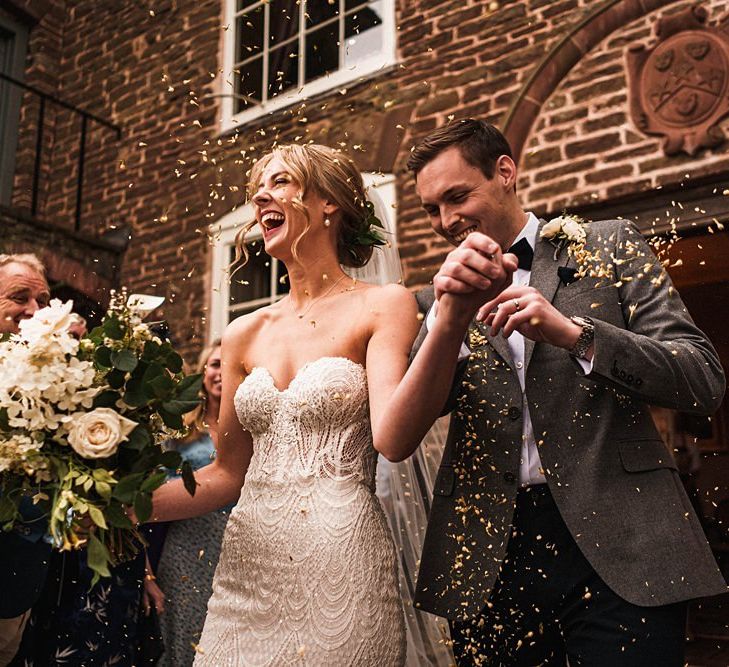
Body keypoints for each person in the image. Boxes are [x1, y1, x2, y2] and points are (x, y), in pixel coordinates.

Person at [150, 143, 512, 665]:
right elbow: (227, 475)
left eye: (279, 182)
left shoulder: (383, 304)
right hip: (247, 573)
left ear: (328, 204)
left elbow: (393, 437)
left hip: (341, 559)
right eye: (259, 185)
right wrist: (123, 508)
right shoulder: (241, 333)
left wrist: (452, 319)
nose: (260, 195)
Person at [407, 119, 727, 666]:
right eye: (432, 209)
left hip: (625, 543)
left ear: (505, 172)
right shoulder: (437, 300)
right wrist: (448, 320)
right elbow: (411, 418)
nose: (446, 221)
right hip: (491, 555)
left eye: (457, 197)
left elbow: (701, 378)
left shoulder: (609, 243)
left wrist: (575, 335)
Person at [146, 341, 231, 666]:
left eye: (228, 365)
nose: (220, 373)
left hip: (239, 546)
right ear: (202, 372)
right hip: (186, 549)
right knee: (185, 637)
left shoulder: (251, 430)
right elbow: (149, 494)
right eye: (214, 364)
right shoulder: (178, 429)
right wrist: (146, 571)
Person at [0, 254, 52, 667]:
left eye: (43, 300)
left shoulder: (59, 377)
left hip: (19, 578)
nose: (34, 310)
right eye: (20, 297)